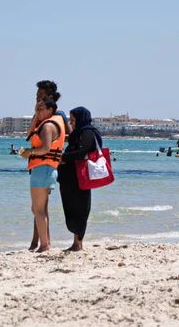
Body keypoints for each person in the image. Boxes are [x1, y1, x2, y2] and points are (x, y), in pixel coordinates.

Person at [20, 96, 65, 253]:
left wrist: (30, 152)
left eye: (41, 110)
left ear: (50, 110)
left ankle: (44, 245)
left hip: (43, 168)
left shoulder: (47, 127)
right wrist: (36, 116)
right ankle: (46, 244)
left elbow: (45, 148)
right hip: (45, 169)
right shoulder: (45, 124)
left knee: (38, 209)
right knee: (39, 209)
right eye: (36, 110)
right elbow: (29, 133)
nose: (38, 112)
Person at [57, 106, 102, 252]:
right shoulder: (78, 134)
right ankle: (76, 242)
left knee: (80, 210)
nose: (71, 122)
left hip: (79, 178)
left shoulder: (87, 132)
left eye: (73, 119)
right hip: (70, 178)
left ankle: (78, 243)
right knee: (71, 209)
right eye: (70, 119)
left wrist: (63, 157)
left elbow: (82, 152)